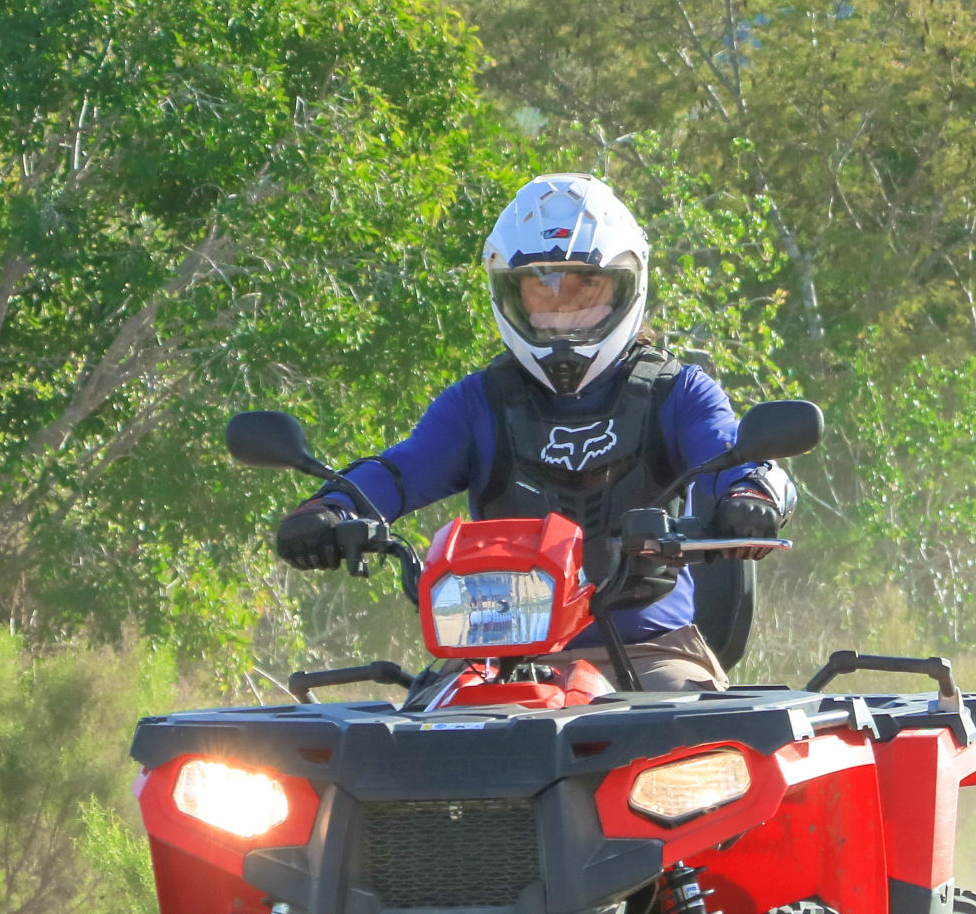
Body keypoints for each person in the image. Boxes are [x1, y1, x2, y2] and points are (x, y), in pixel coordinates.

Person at [274, 172, 793, 692]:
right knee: (397, 758)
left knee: (698, 748)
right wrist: (331, 510)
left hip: (652, 654)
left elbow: (732, 456)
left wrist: (751, 494)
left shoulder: (677, 392)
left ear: (627, 287)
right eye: (542, 292)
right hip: (492, 664)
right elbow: (402, 469)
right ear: (511, 297)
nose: (563, 312)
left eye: (584, 288)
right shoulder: (480, 402)